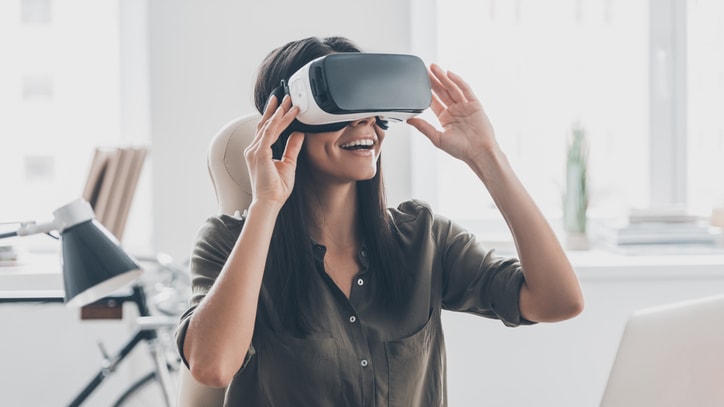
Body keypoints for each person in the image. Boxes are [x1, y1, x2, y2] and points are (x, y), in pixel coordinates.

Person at [175, 36, 584, 406]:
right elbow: (212, 367)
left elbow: (557, 301)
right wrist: (266, 202)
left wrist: (486, 156)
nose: (364, 122)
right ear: (284, 121)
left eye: (372, 109)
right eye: (342, 105)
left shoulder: (422, 237)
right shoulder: (229, 242)